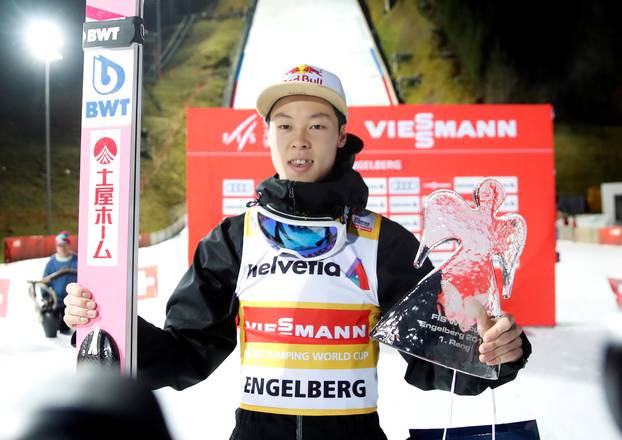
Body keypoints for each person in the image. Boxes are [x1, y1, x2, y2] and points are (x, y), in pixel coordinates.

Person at [64, 64, 531, 439]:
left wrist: (496, 352)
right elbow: (187, 352)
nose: (299, 139)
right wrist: (111, 331)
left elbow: (442, 359)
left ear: (341, 136)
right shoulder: (235, 238)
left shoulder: (383, 241)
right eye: (283, 125)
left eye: (317, 125)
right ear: (268, 136)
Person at [41, 231, 77, 334]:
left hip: (72, 302)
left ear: (69, 245)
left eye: (65, 245)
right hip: (56, 302)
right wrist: (45, 298)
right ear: (57, 246)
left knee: (66, 329)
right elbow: (44, 282)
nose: (62, 248)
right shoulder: (51, 263)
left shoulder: (76, 261)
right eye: (60, 245)